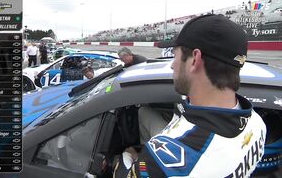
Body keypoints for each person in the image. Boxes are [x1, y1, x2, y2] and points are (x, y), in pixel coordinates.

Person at [114, 14, 267, 178]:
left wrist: (125, 156)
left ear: (195, 59)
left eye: (175, 55)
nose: (173, 65)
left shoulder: (162, 163)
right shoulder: (257, 124)